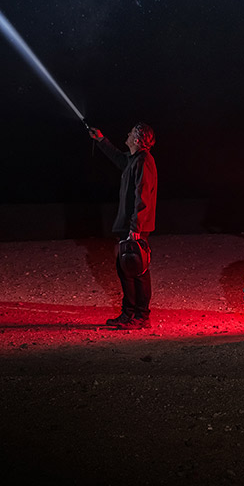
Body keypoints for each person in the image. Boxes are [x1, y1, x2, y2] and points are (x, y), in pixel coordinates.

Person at [88, 122, 157, 330]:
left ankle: (141, 317)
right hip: (130, 225)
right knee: (125, 269)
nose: (126, 135)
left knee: (137, 269)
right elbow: (118, 157)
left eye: (130, 133)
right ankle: (129, 314)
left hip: (134, 227)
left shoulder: (143, 161)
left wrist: (135, 228)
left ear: (137, 139)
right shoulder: (134, 159)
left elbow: (142, 197)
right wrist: (101, 139)